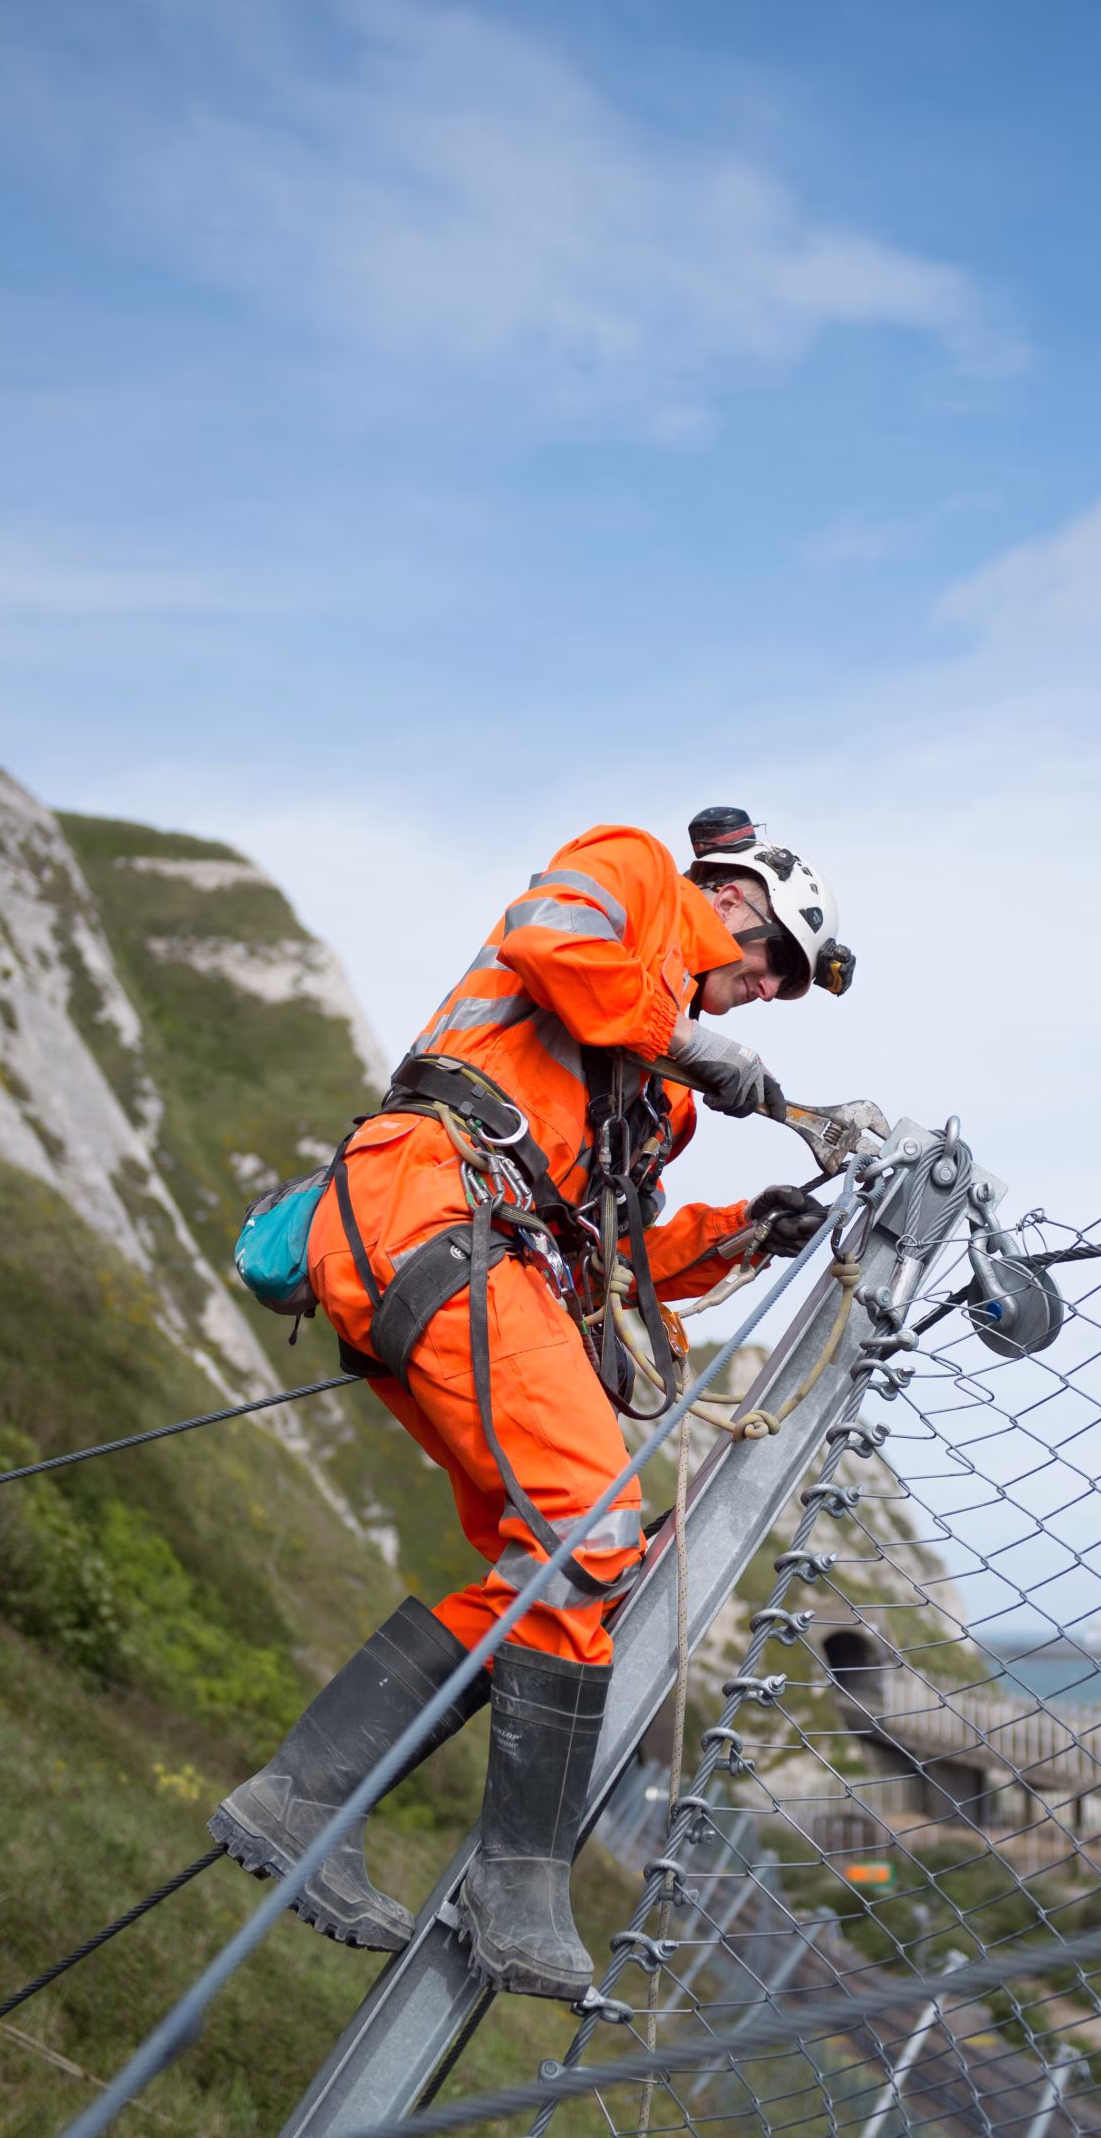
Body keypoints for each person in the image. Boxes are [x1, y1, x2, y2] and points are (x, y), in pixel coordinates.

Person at [210, 807, 856, 2002]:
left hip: (474, 1253)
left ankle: (304, 1795)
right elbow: (553, 943)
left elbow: (613, 1255)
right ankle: (515, 1879)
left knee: (561, 1561)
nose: (765, 992)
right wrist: (720, 1064)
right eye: (773, 965)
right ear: (737, 899)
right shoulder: (634, 874)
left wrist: (745, 1231)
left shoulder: (648, 1096)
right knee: (596, 1525)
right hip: (427, 1209)